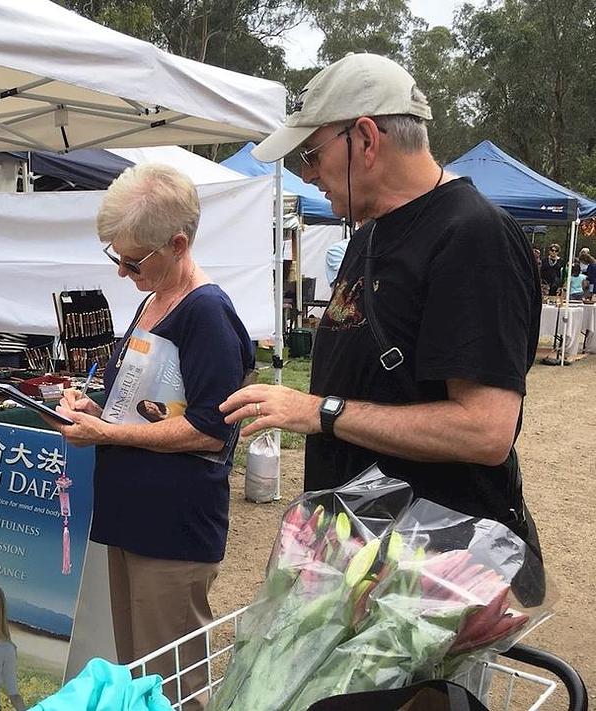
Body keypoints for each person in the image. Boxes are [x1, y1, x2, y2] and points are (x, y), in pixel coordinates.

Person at [221, 53, 544, 603]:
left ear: (366, 140)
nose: (307, 174)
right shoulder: (370, 237)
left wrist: (321, 412)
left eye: (312, 153)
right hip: (357, 559)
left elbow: (485, 432)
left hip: (436, 581)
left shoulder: (474, 237)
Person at [51, 163, 254, 710]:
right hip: (133, 517)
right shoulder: (153, 297)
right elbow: (145, 403)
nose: (121, 271)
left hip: (174, 528)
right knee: (135, 677)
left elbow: (213, 431)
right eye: (115, 255)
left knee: (172, 683)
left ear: (178, 243)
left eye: (133, 260)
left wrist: (108, 431)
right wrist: (95, 410)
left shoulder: (207, 313)